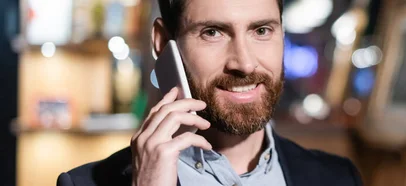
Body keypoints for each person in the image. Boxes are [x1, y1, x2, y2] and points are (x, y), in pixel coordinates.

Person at [56, 0, 362, 185]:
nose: (244, 63)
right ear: (163, 43)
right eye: (212, 32)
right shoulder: (84, 184)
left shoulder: (337, 177)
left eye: (262, 30)